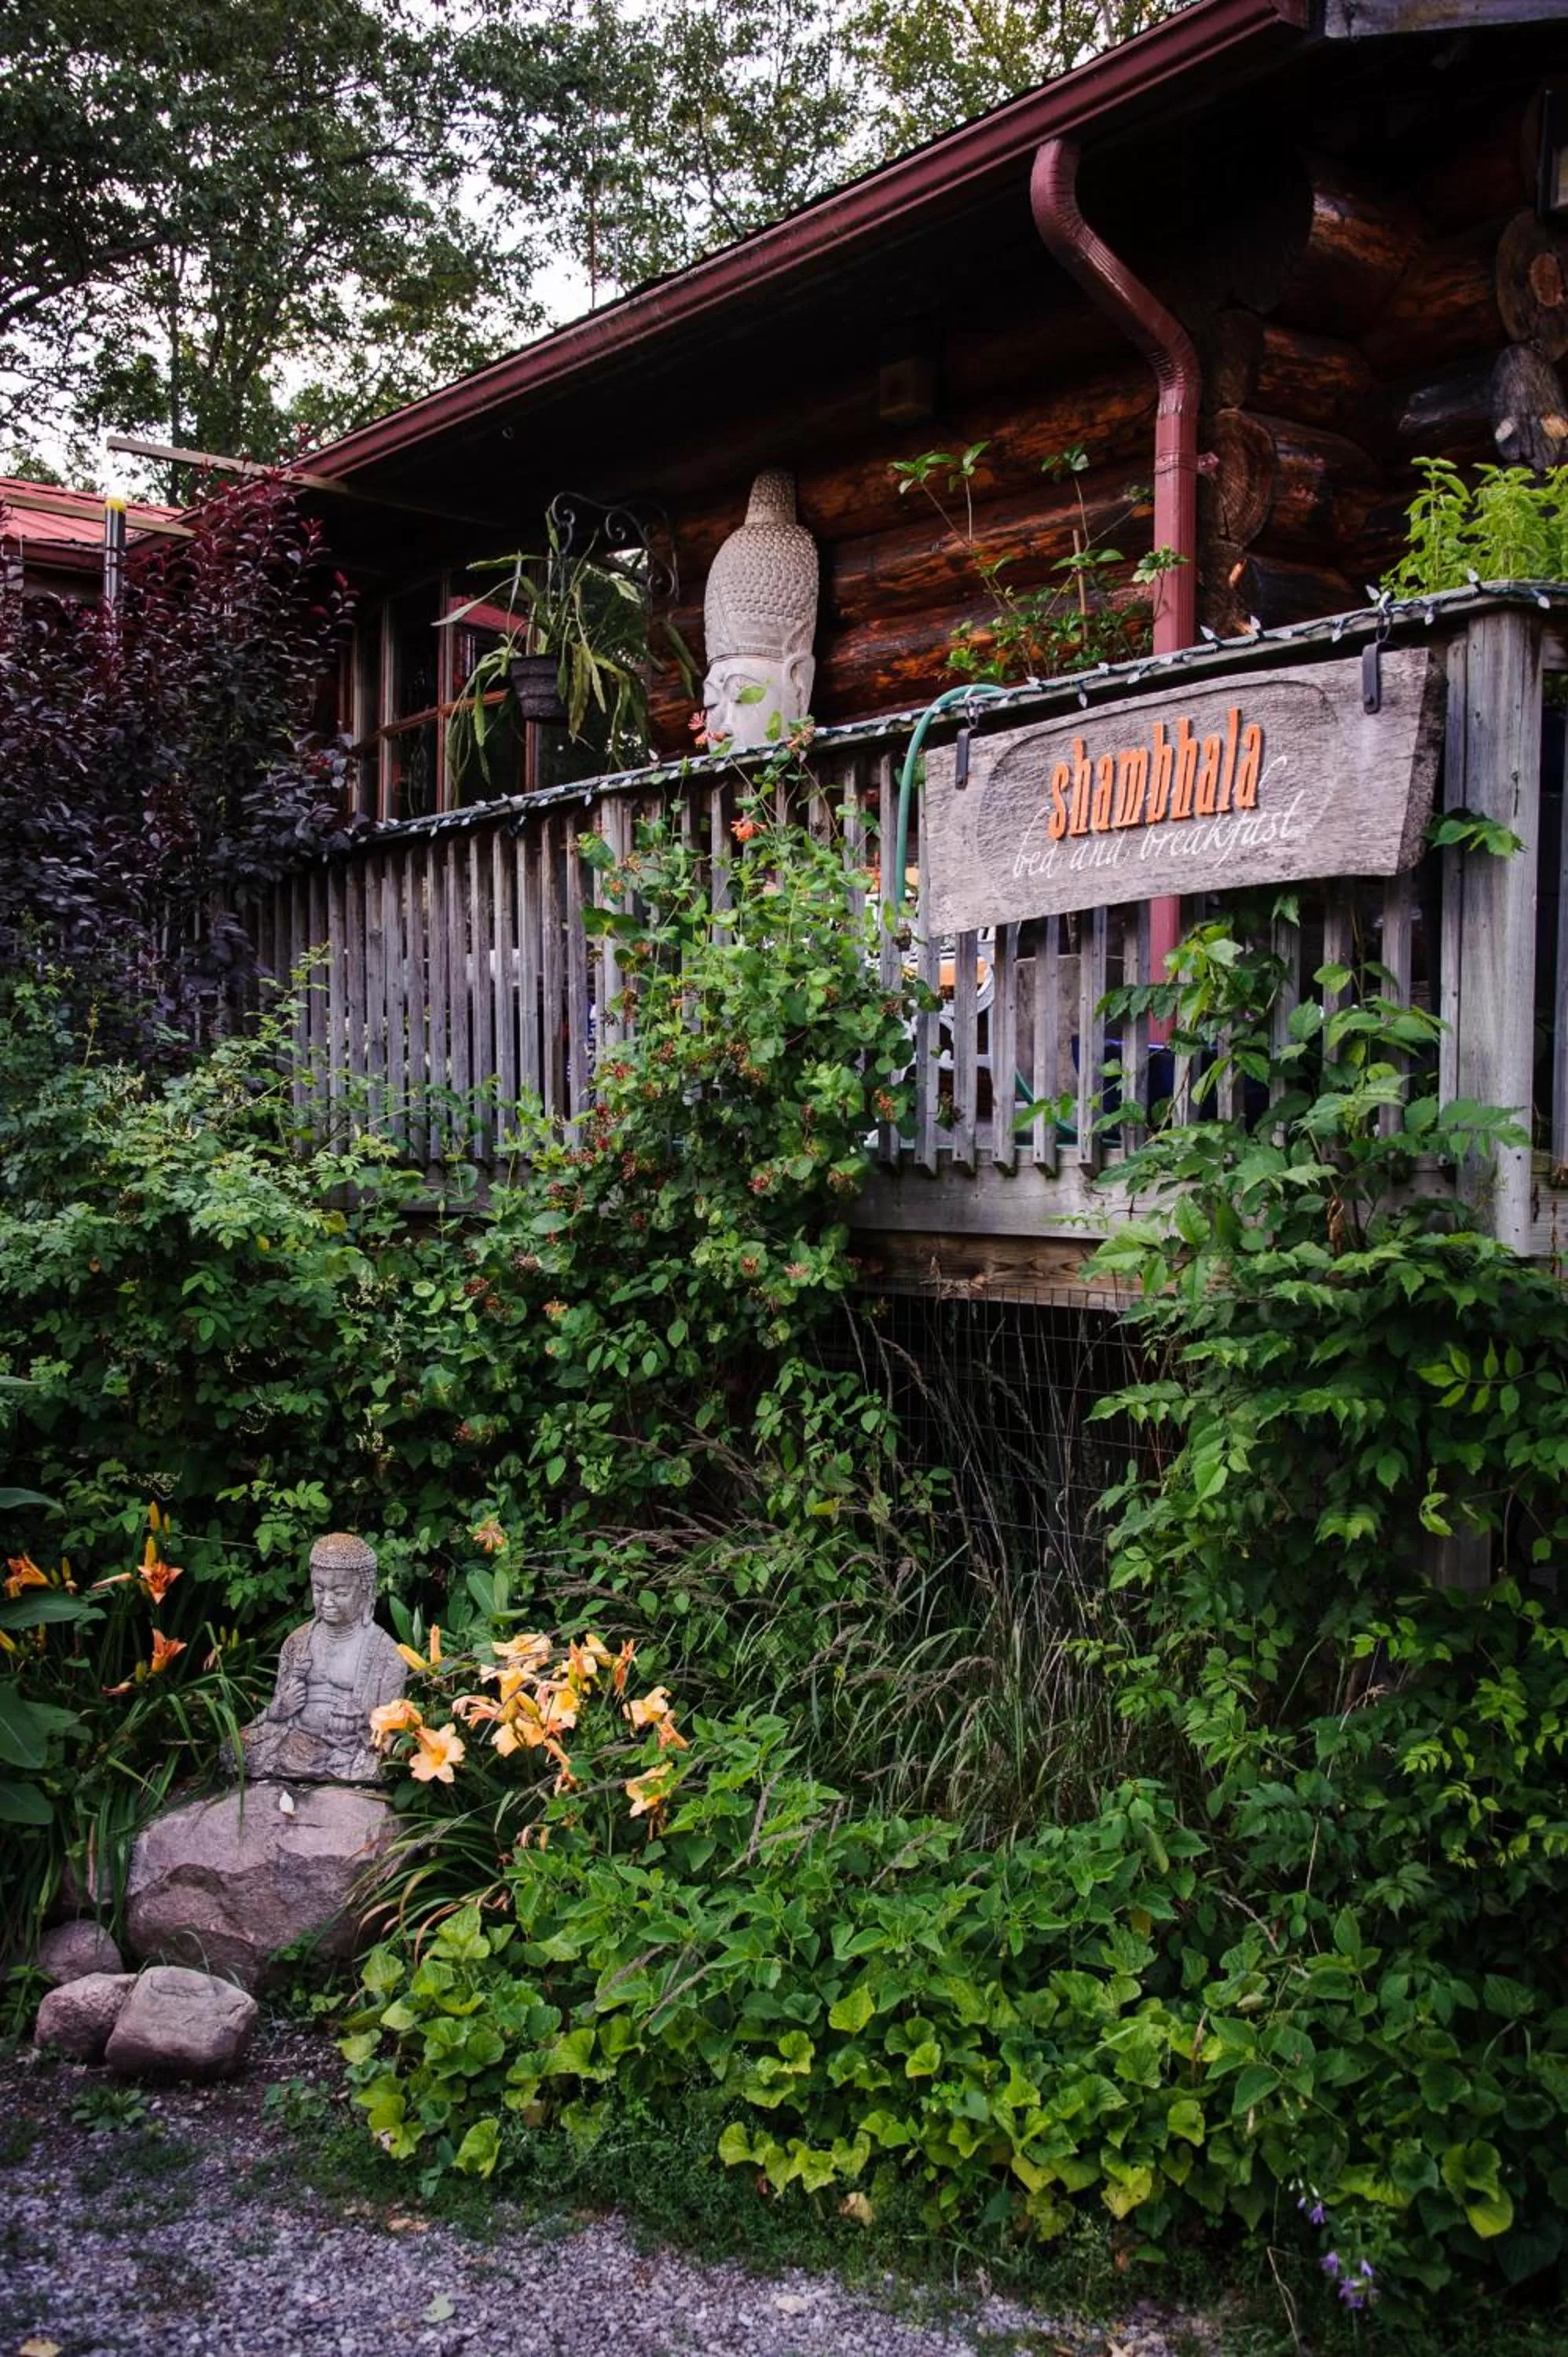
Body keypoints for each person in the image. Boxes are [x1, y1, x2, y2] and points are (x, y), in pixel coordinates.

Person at [234, 1532, 406, 1783]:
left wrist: (360, 1722)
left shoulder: (386, 1654)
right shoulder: (297, 1642)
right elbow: (276, 1713)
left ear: (365, 1591)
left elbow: (390, 1727)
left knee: (380, 1763)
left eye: (340, 1592)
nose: (327, 1601)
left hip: (349, 1749)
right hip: (294, 1740)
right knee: (235, 1750)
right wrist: (279, 1709)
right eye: (318, 1589)